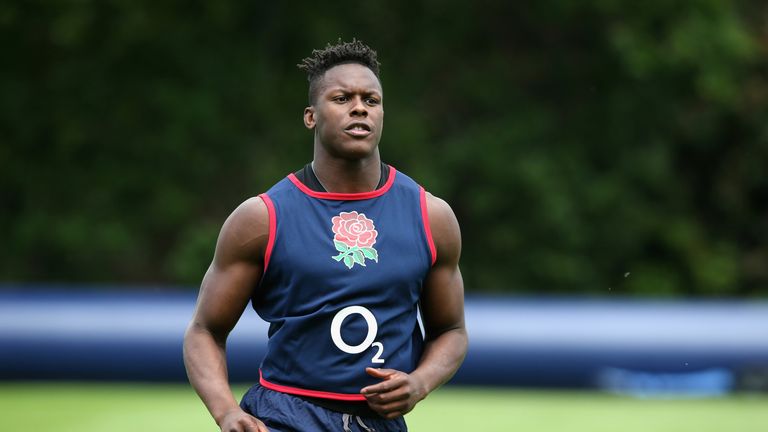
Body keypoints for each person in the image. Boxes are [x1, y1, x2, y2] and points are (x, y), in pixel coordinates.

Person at [183, 39, 467, 432]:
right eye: (342, 98)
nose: (359, 107)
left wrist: (419, 382)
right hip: (285, 417)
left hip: (380, 424)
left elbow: (451, 331)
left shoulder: (431, 216)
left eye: (371, 99)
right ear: (310, 116)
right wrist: (227, 411)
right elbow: (205, 331)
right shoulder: (261, 218)